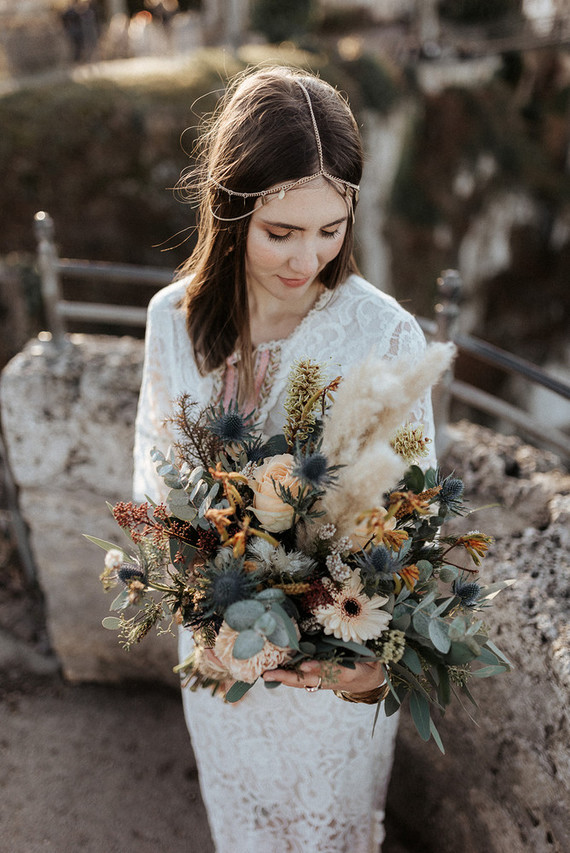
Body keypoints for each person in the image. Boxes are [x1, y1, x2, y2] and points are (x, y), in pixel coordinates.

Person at [134, 65, 436, 853]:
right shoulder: (173, 321)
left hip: (334, 670)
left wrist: (374, 668)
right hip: (220, 657)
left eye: (330, 228)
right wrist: (191, 609)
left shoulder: (387, 337)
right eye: (281, 231)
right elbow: (157, 485)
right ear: (230, 208)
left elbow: (412, 521)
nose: (308, 257)